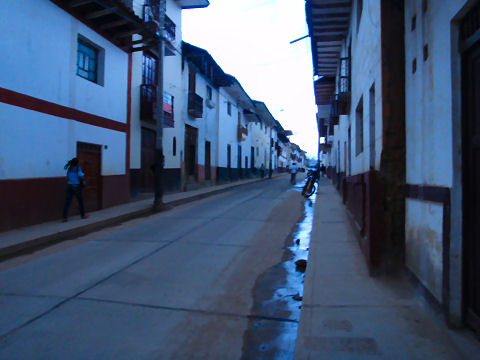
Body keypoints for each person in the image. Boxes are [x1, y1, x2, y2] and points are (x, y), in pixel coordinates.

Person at [62, 157, 87, 222]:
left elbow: (67, 177)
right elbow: (81, 176)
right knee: (80, 201)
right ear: (77, 163)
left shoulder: (69, 169)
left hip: (69, 186)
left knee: (67, 202)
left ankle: (64, 217)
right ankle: (83, 215)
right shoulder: (78, 169)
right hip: (77, 186)